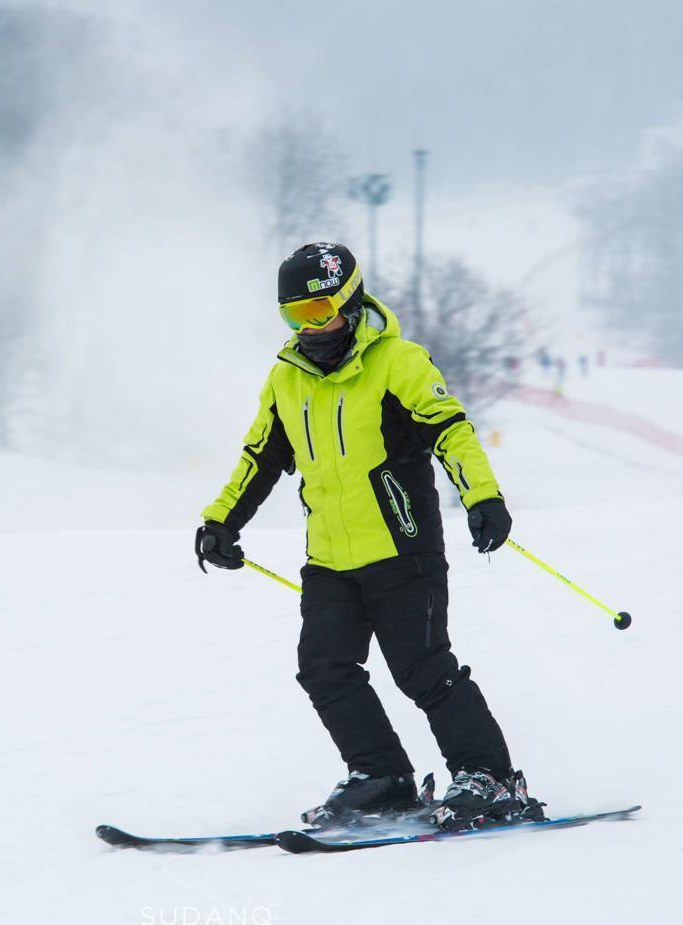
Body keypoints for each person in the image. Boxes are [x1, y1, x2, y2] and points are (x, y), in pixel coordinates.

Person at [196, 242, 537, 832]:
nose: (310, 327)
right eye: (295, 316)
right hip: (328, 559)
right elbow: (260, 458)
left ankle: (491, 777)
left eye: (320, 310)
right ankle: (381, 776)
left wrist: (483, 497)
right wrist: (222, 521)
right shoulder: (285, 380)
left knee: (422, 669)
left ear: (350, 301)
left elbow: (450, 432)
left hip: (403, 549)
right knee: (324, 669)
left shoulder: (398, 362)